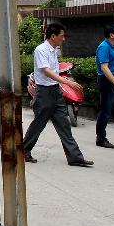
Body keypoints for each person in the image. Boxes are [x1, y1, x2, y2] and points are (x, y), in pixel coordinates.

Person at [23, 22, 94, 167]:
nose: (64, 39)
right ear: (53, 36)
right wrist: (67, 83)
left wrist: (61, 84)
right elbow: (46, 71)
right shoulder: (41, 50)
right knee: (38, 124)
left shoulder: (54, 50)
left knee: (64, 125)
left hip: (56, 91)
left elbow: (55, 71)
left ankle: (75, 157)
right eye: (62, 36)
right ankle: (23, 150)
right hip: (44, 93)